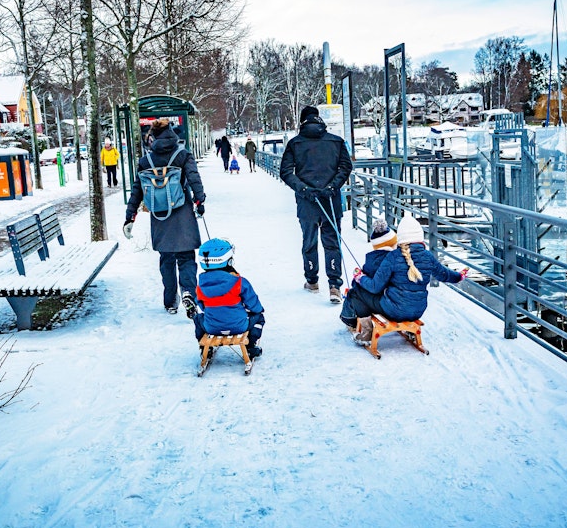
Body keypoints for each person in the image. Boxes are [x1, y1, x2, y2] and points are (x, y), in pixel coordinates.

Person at [124, 118, 206, 316]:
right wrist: (199, 200)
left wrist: (130, 216)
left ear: (154, 136)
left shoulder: (146, 161)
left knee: (166, 258)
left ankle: (170, 301)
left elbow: (137, 190)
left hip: (159, 216)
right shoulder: (183, 155)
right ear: (172, 133)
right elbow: (194, 178)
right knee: (186, 257)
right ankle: (188, 292)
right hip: (182, 212)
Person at [340, 215, 466, 343]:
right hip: (418, 310)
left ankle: (367, 332)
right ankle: (408, 330)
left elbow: (375, 286)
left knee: (357, 293)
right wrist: (460, 276)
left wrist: (360, 278)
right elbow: (444, 275)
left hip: (393, 311)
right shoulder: (428, 256)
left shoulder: (393, 256)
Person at [280, 105, 353, 304]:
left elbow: (285, 172)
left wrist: (303, 189)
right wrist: (333, 186)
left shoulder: (295, 144)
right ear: (318, 119)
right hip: (331, 200)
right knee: (332, 243)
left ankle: (312, 280)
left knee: (309, 242)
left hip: (307, 202)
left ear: (303, 121)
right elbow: (346, 166)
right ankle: (335, 285)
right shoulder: (336, 141)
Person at [192, 238, 265, 360]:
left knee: (198, 318)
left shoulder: (201, 286)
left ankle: (205, 349)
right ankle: (251, 346)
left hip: (211, 327)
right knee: (259, 318)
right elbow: (254, 305)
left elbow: (202, 307)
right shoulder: (239, 282)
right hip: (239, 325)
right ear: (229, 262)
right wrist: (257, 310)